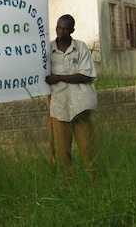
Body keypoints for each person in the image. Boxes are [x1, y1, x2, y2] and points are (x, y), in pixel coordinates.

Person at [45, 14, 98, 178]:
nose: (61, 31)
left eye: (65, 28)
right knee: (63, 151)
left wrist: (58, 77)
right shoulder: (47, 50)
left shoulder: (80, 48)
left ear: (72, 30)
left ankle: (93, 182)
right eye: (58, 28)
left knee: (87, 148)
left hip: (80, 104)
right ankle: (68, 184)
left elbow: (86, 76)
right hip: (59, 105)